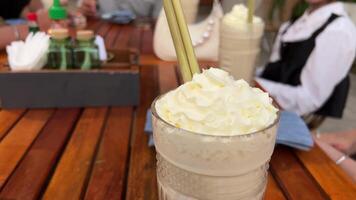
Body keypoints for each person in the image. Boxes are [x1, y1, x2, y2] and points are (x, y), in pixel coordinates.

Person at [256, 0, 356, 118]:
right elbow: (274, 69)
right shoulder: (295, 23)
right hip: (264, 105)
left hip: (287, 116)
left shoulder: (338, 31)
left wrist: (256, 85)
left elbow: (308, 99)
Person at [80, 0, 162, 18]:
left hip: (141, 41)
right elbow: (81, 10)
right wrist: (85, 9)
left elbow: (160, 23)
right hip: (99, 36)